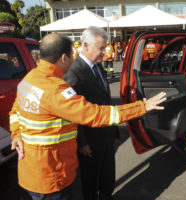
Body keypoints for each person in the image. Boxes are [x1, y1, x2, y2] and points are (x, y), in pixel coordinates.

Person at [9, 33, 166, 200]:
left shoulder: (30, 79)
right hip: (52, 175)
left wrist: (16, 134)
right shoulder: (54, 90)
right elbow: (95, 115)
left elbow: (15, 112)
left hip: (33, 171)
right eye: (72, 54)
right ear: (64, 57)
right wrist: (142, 106)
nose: (73, 58)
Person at [63, 26, 116, 200]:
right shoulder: (74, 73)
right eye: (101, 48)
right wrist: (82, 143)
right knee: (91, 184)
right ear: (86, 45)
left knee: (108, 180)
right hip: (90, 142)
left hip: (106, 135)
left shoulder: (98, 67)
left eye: (105, 47)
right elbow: (71, 113)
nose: (104, 52)